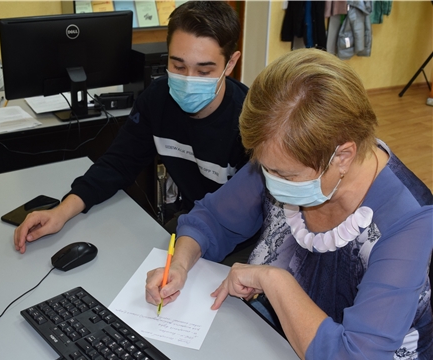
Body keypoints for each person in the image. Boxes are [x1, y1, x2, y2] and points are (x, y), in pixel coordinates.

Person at [145, 49, 433, 359]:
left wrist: (273, 279)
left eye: (285, 174)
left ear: (344, 156)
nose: (270, 180)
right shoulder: (284, 157)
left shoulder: (409, 222)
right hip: (273, 338)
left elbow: (356, 354)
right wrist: (180, 263)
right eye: (264, 166)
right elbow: (212, 219)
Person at [14, 1, 249, 257]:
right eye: (178, 67)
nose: (188, 81)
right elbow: (119, 163)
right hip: (193, 226)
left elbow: (253, 213)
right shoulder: (157, 100)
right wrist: (61, 211)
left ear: (231, 63)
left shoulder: (250, 120)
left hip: (241, 239)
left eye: (203, 71)